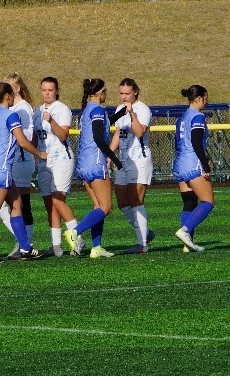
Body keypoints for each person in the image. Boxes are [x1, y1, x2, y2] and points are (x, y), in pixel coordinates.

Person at [0, 80, 40, 263]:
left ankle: (25, 248)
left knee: (17, 204)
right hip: (1, 168)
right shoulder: (11, 116)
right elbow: (23, 142)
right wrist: (40, 154)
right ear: (8, 96)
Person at [63, 80, 118, 259]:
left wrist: (123, 112)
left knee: (97, 207)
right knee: (106, 207)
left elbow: (101, 127)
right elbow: (98, 136)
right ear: (100, 93)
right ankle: (75, 232)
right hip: (95, 162)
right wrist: (115, 159)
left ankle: (97, 247)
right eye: (105, 91)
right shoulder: (97, 110)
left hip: (84, 164)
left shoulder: (87, 109)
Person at [33, 76, 80, 256]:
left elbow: (63, 135)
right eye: (44, 89)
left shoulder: (62, 109)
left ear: (57, 91)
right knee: (50, 204)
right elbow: (35, 138)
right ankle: (56, 247)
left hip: (61, 159)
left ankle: (77, 240)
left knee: (58, 201)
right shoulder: (36, 112)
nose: (47, 93)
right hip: (44, 161)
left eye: (50, 90)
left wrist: (51, 120)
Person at [171, 85, 215, 253]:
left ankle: (187, 244)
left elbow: (177, 144)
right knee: (208, 202)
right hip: (193, 163)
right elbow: (196, 142)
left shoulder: (182, 117)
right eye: (206, 97)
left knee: (189, 204)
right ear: (199, 98)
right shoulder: (198, 117)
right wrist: (205, 165)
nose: (207, 101)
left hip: (180, 163)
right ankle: (185, 230)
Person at [111, 78, 154, 252]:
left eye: (127, 93)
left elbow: (139, 131)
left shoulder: (143, 109)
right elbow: (117, 134)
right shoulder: (119, 109)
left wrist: (132, 114)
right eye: (121, 93)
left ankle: (142, 244)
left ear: (135, 92)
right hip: (123, 160)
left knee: (136, 201)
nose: (124, 97)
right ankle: (145, 233)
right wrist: (109, 155)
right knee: (122, 202)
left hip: (139, 160)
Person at [3, 73, 39, 257]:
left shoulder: (22, 108)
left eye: (8, 86)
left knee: (18, 204)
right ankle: (24, 242)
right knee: (12, 205)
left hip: (21, 160)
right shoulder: (13, 107)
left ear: (17, 88)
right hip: (16, 160)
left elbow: (27, 135)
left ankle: (25, 243)